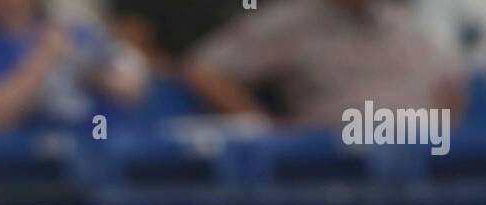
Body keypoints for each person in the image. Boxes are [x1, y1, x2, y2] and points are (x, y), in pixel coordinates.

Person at [183, 0, 464, 129]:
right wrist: (265, 132)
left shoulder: (398, 19)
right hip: (336, 167)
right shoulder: (291, 22)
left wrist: (439, 134)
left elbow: (450, 80)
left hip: (423, 165)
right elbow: (205, 68)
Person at [0, 0, 148, 131]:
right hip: (32, 162)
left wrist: (92, 73)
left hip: (98, 143)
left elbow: (132, 85)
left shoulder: (72, 31)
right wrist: (43, 59)